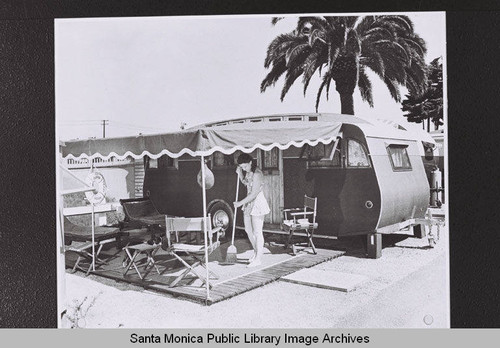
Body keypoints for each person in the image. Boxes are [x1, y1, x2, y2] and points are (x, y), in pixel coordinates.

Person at [233, 153, 270, 267]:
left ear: (250, 162)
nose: (244, 169)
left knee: (257, 232)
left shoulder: (257, 174)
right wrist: (240, 174)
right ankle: (256, 251)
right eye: (242, 167)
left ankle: (258, 259)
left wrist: (240, 203)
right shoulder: (249, 172)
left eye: (244, 166)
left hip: (257, 203)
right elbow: (246, 183)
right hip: (249, 204)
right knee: (248, 230)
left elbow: (254, 193)